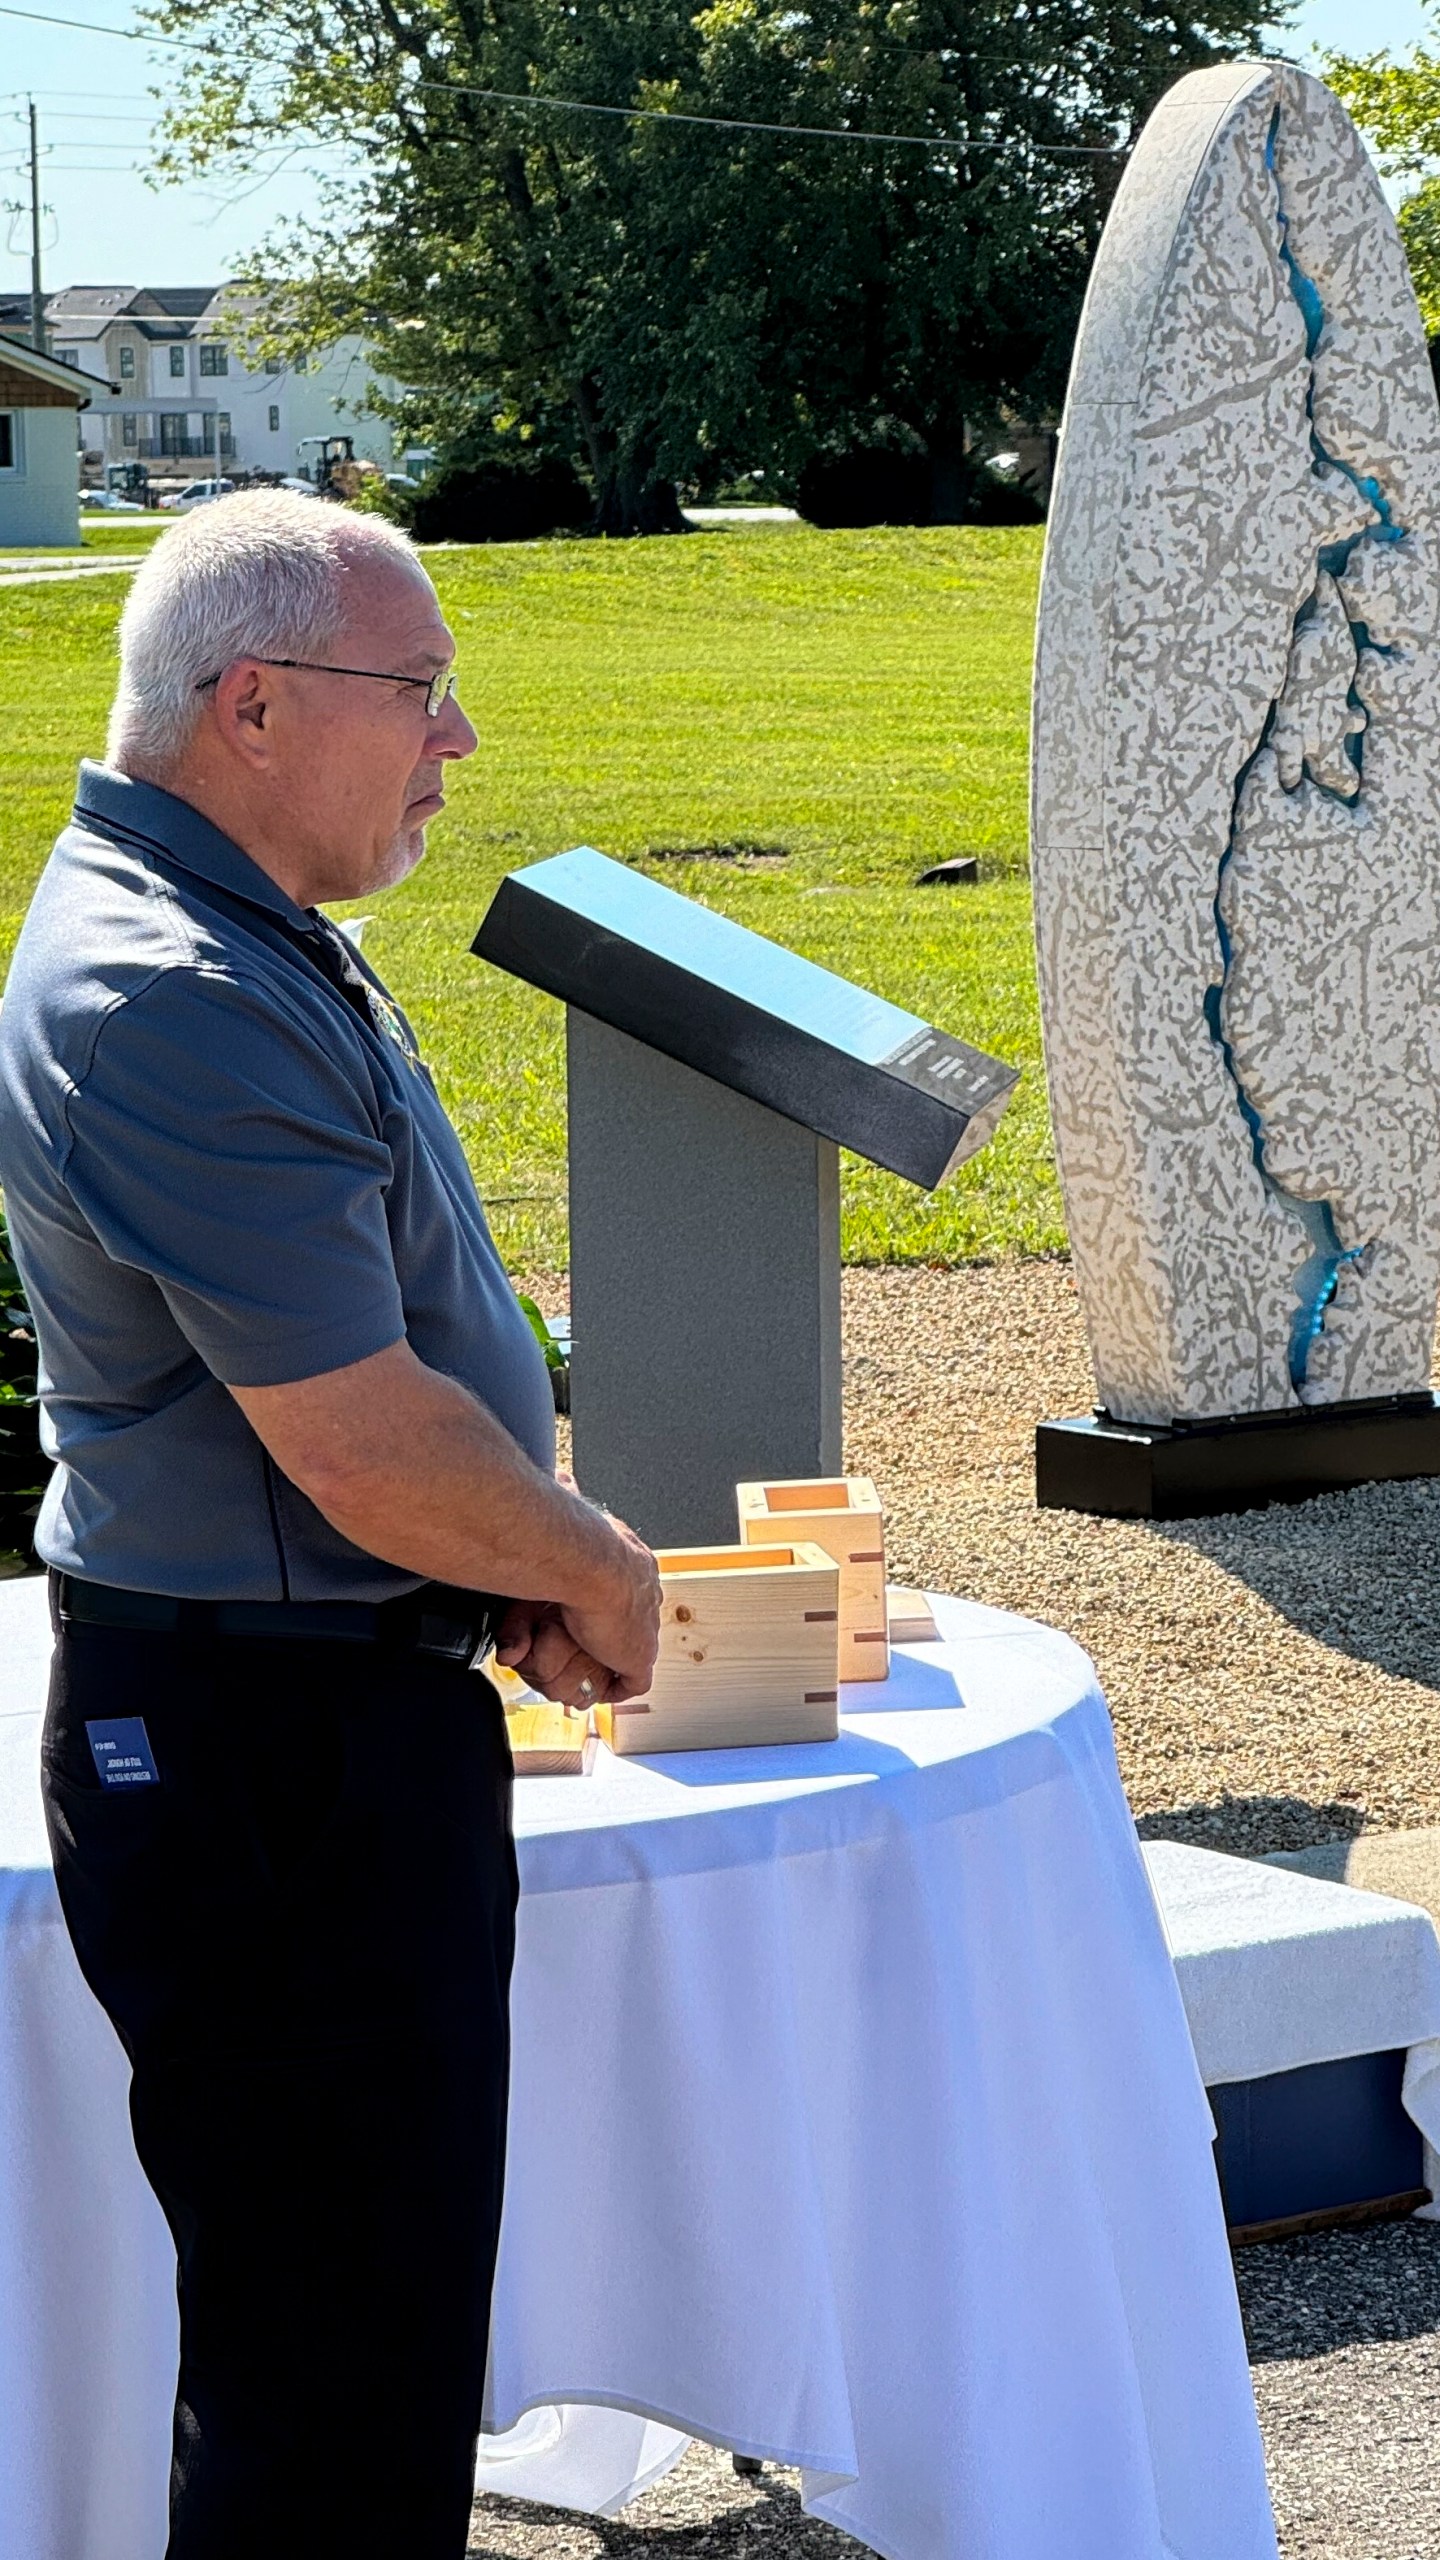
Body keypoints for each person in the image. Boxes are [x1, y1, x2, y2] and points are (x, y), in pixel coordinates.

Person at [0, 491, 661, 2560]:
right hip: (266, 1750)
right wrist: (590, 1565)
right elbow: (358, 1438)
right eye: (424, 692)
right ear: (258, 702)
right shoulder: (170, 983)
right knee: (326, 2375)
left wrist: (500, 1560)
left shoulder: (237, 920)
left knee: (356, 2354)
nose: (456, 738)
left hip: (306, 1708)